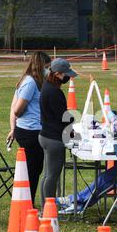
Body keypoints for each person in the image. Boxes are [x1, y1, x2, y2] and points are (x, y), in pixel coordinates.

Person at [7, 51, 52, 206]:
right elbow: (17, 109)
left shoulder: (31, 81)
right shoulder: (30, 82)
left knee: (34, 169)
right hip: (30, 132)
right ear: (41, 66)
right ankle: (28, 205)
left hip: (31, 130)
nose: (49, 70)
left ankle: (26, 202)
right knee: (32, 170)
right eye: (47, 67)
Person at [39, 58, 77, 211]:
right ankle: (48, 208)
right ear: (58, 74)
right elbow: (62, 117)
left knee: (47, 174)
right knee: (52, 175)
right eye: (65, 74)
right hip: (54, 138)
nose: (67, 77)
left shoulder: (46, 87)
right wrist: (73, 120)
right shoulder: (55, 92)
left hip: (45, 135)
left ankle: (45, 206)